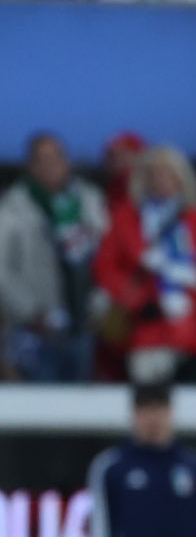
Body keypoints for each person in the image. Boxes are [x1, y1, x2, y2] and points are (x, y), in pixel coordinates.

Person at [91, 145, 196, 383]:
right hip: (143, 332)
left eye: (168, 174)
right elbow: (104, 268)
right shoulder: (126, 218)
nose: (160, 181)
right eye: (154, 175)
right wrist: (137, 299)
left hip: (193, 333)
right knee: (148, 398)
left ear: (182, 179)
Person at [0, 130, 107, 381]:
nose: (50, 165)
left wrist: (99, 306)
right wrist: (29, 312)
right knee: (40, 396)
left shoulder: (88, 199)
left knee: (81, 398)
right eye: (42, 159)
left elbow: (105, 254)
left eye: (56, 157)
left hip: (83, 321)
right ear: (31, 165)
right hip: (35, 327)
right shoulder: (13, 205)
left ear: (66, 160)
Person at [86, 383, 196, 537]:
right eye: (146, 410)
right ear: (134, 414)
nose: (154, 419)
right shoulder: (112, 467)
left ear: (170, 413)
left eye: (159, 409)